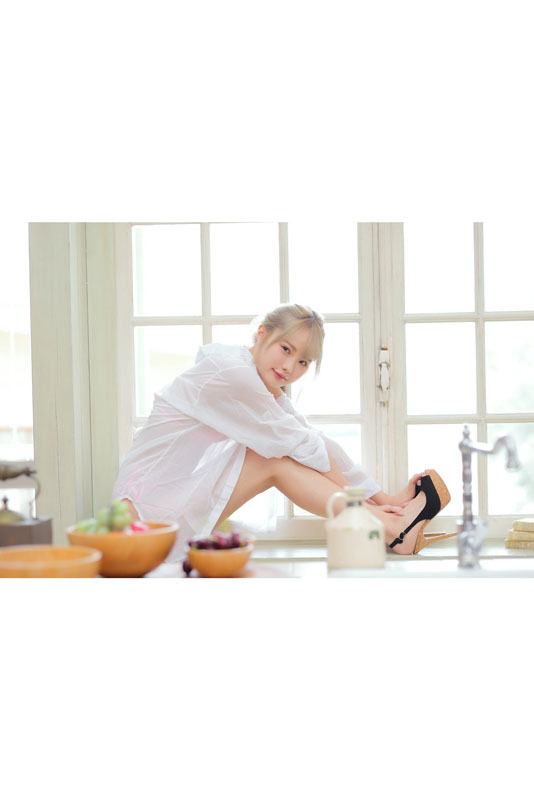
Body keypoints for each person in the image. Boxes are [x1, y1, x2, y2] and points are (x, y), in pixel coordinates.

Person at [111, 303, 451, 563]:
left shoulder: (258, 381)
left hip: (167, 504)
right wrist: (365, 503)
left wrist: (383, 499)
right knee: (273, 460)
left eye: (303, 362)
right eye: (286, 349)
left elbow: (312, 439)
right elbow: (303, 446)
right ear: (262, 333)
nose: (290, 367)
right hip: (142, 515)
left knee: (277, 454)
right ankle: (391, 528)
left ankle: (391, 526)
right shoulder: (231, 373)